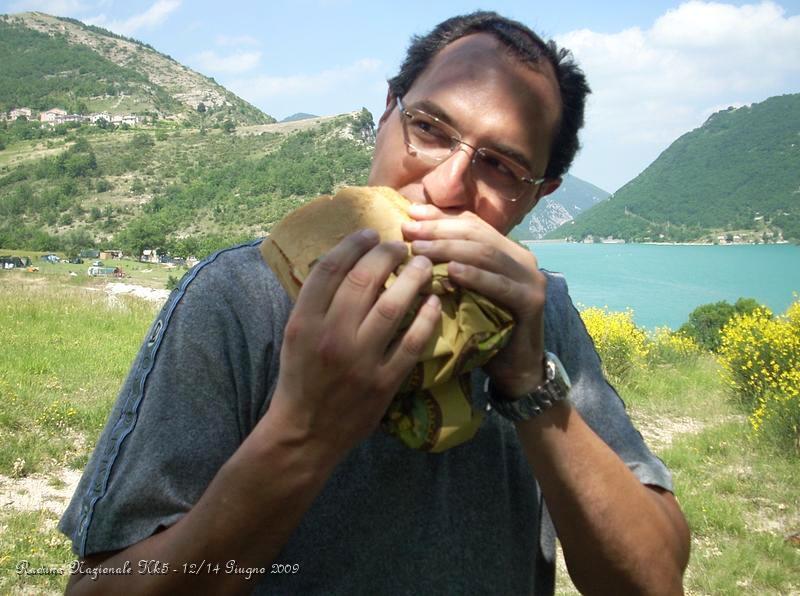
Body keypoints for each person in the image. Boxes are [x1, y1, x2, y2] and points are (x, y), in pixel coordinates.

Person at [60, 11, 690, 595]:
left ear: (538, 195)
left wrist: (529, 383)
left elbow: (653, 580)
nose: (446, 186)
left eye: (499, 167)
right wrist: (305, 435)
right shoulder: (241, 298)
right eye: (429, 128)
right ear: (387, 112)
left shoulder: (539, 314)